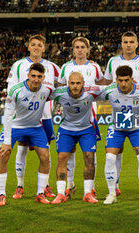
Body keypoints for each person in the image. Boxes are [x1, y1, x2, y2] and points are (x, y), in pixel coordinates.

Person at [2, 34, 60, 199]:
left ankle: (45, 186)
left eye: (39, 45)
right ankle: (20, 185)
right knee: (22, 148)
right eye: (33, 44)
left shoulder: (51, 66)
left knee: (45, 151)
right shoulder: (18, 65)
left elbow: (63, 83)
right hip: (23, 116)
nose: (36, 47)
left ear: (43, 48)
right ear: (28, 47)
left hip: (45, 114)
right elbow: (11, 90)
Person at [104, 31, 139, 196]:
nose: (128, 45)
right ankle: (115, 185)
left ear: (136, 44)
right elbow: (106, 82)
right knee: (116, 152)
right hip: (118, 112)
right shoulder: (113, 61)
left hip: (137, 114)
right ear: (121, 43)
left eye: (131, 42)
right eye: (125, 41)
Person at [0, 63, 54, 206]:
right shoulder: (16, 90)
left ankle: (40, 193)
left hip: (35, 127)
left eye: (39, 77)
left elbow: (65, 92)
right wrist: (7, 141)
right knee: (4, 154)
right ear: (28, 75)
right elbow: (8, 116)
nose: (36, 79)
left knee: (45, 156)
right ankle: (1, 194)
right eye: (33, 76)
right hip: (15, 125)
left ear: (43, 78)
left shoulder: (47, 90)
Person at [57, 37, 105, 199]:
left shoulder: (95, 67)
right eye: (76, 47)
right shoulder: (66, 67)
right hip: (69, 116)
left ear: (88, 49)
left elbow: (102, 85)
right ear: (73, 50)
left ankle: (90, 188)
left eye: (83, 47)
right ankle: (69, 185)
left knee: (90, 153)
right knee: (68, 153)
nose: (79, 50)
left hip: (89, 117)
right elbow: (60, 87)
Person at [101, 65, 139, 205]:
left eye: (126, 80)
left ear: (132, 79)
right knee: (110, 157)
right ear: (116, 80)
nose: (123, 84)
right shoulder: (110, 90)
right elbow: (90, 94)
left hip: (136, 128)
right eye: (120, 80)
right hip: (117, 127)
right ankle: (112, 193)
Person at [50, 72, 105, 204]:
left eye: (78, 83)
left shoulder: (92, 91)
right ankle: (60, 194)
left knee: (89, 158)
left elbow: (112, 88)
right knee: (62, 158)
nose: (75, 86)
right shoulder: (59, 93)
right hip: (66, 129)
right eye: (72, 83)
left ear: (83, 84)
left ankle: (87, 193)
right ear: (68, 83)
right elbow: (41, 93)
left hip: (86, 129)